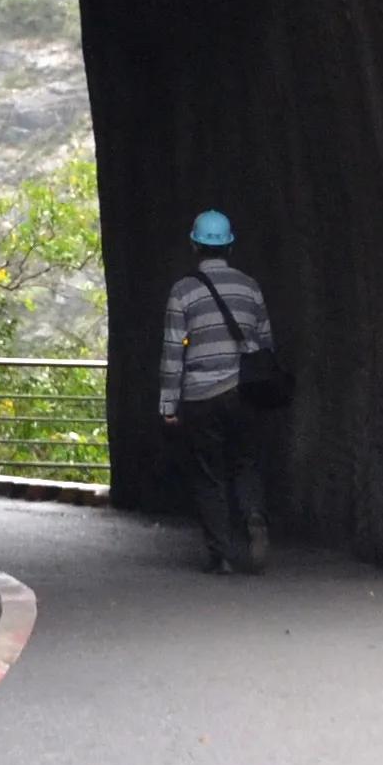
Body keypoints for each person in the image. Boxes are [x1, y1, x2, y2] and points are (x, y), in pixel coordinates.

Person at [156, 207, 278, 575]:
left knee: (209, 474)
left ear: (195, 245)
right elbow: (265, 343)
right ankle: (254, 516)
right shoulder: (250, 287)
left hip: (201, 397)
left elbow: (173, 351)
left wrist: (168, 405)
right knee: (246, 463)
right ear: (229, 246)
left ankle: (221, 554)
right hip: (243, 393)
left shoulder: (183, 292)